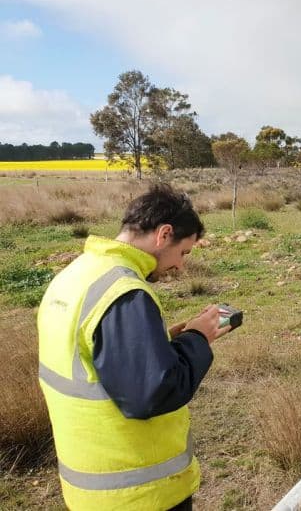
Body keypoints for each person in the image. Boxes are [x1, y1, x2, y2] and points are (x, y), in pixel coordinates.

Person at [37, 183, 231, 511]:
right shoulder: (125, 293)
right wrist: (199, 338)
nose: (181, 266)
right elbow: (154, 393)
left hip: (89, 488)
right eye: (183, 252)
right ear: (164, 234)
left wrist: (161, 342)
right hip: (139, 494)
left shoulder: (76, 274)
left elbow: (94, 360)